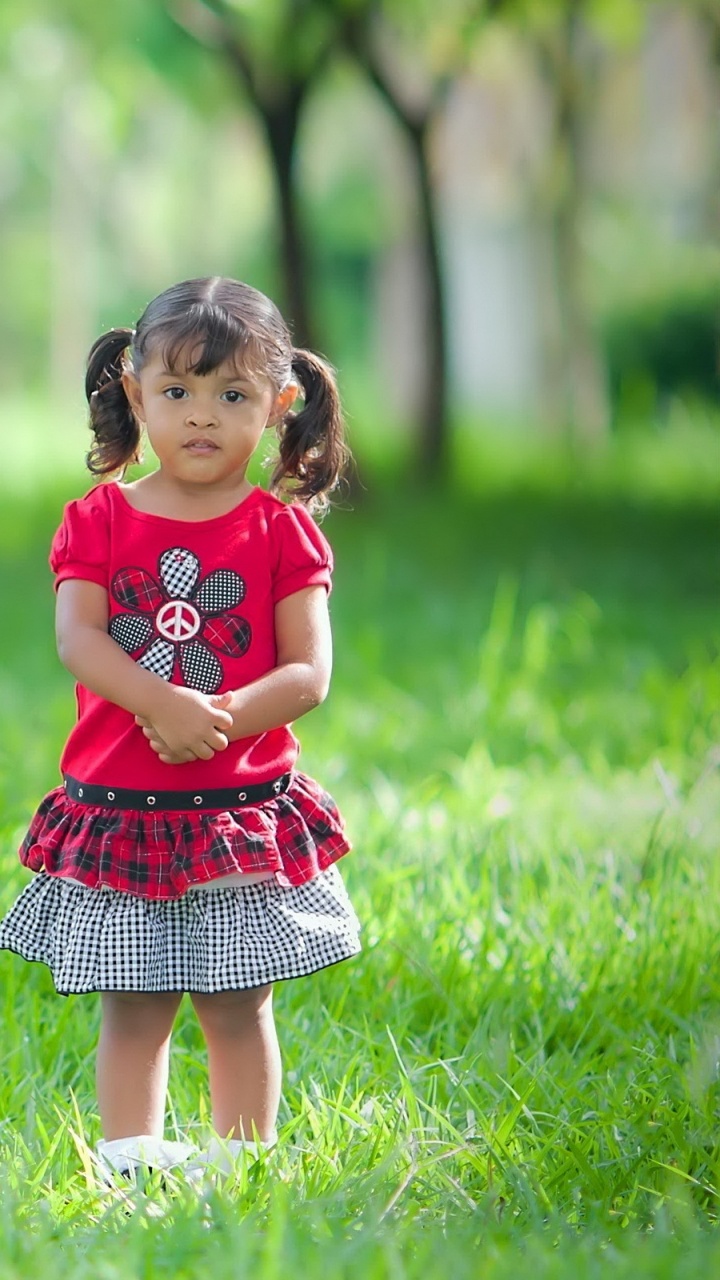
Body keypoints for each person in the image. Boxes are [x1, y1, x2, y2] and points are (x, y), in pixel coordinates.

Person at [0, 276, 360, 1182]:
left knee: (237, 1003)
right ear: (135, 394)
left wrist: (220, 719)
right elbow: (77, 636)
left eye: (232, 396)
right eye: (177, 393)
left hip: (237, 807)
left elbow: (308, 671)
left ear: (280, 406)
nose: (202, 416)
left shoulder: (280, 532)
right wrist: (158, 702)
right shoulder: (101, 519)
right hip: (124, 805)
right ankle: (129, 1163)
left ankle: (242, 1166)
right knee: (135, 1003)